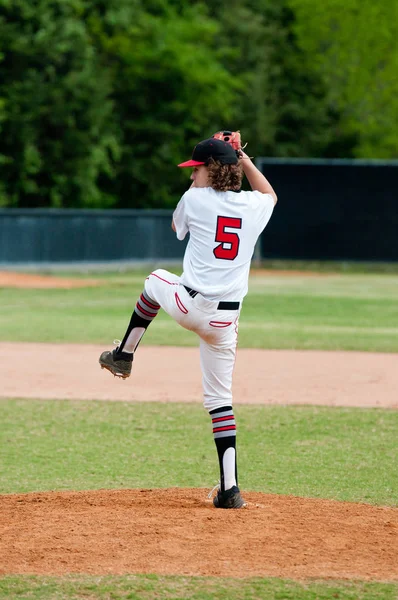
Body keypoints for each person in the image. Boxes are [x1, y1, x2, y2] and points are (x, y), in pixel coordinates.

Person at [99, 135, 277, 509]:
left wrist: (219, 165)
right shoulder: (253, 205)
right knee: (220, 400)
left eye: (195, 169)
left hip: (189, 304)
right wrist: (241, 156)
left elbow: (176, 228)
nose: (191, 176)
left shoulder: (194, 199)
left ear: (209, 171)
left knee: (154, 279)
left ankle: (124, 354)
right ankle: (230, 490)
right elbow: (270, 194)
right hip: (226, 322)